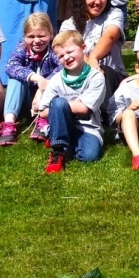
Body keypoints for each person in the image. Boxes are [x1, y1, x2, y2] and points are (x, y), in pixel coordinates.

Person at [40, 30, 108, 173]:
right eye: (61, 56)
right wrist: (59, 106)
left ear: (83, 48)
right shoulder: (56, 79)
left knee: (89, 156)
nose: (67, 57)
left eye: (70, 51)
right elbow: (43, 111)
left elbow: (84, 109)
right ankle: (58, 150)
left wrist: (61, 106)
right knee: (58, 103)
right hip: (64, 123)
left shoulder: (96, 77)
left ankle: (62, 141)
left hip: (88, 127)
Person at [0, 12, 60, 147]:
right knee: (15, 79)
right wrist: (36, 78)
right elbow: (11, 66)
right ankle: (9, 124)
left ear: (50, 34)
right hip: (24, 101)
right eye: (31, 36)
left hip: (46, 102)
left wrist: (43, 85)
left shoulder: (54, 50)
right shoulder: (22, 49)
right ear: (25, 37)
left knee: (56, 82)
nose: (36, 40)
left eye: (41, 36)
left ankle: (43, 120)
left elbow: (63, 68)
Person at [60, 0, 126, 94]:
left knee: (103, 73)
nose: (98, 2)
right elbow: (73, 51)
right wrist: (90, 65)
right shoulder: (69, 25)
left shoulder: (114, 14)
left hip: (113, 77)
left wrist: (93, 58)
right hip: (82, 78)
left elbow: (111, 35)